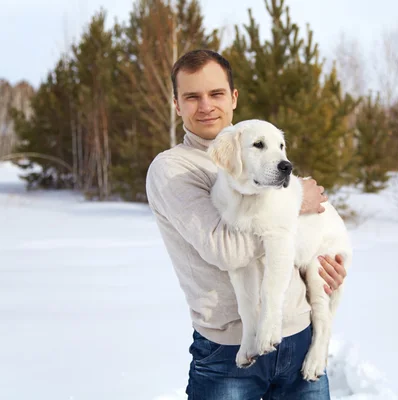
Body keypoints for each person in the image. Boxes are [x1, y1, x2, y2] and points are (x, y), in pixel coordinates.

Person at [145, 49, 347, 399]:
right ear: (177, 104)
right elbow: (226, 250)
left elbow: (295, 242)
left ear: (234, 97)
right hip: (227, 353)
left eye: (216, 93)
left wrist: (326, 268)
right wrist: (295, 207)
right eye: (192, 97)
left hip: (299, 336)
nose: (206, 106)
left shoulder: (264, 154)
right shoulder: (173, 170)